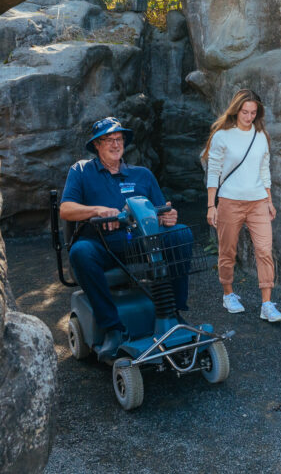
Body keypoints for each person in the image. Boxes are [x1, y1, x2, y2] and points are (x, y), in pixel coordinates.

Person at [60, 117, 190, 359]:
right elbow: (66, 209)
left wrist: (168, 216)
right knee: (80, 252)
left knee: (180, 234)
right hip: (101, 244)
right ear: (96, 145)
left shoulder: (142, 174)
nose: (115, 143)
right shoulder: (81, 171)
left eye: (118, 139)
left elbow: (162, 211)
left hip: (139, 243)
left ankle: (173, 312)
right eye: (108, 140)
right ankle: (112, 328)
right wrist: (97, 210)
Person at [203, 89, 281, 322]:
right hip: (230, 201)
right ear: (236, 110)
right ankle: (228, 293)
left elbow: (264, 169)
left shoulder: (261, 136)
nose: (248, 116)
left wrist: (269, 200)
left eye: (253, 112)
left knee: (264, 250)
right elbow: (214, 172)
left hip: (258, 201)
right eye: (245, 112)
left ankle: (267, 304)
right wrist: (211, 205)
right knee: (227, 251)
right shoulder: (222, 135)